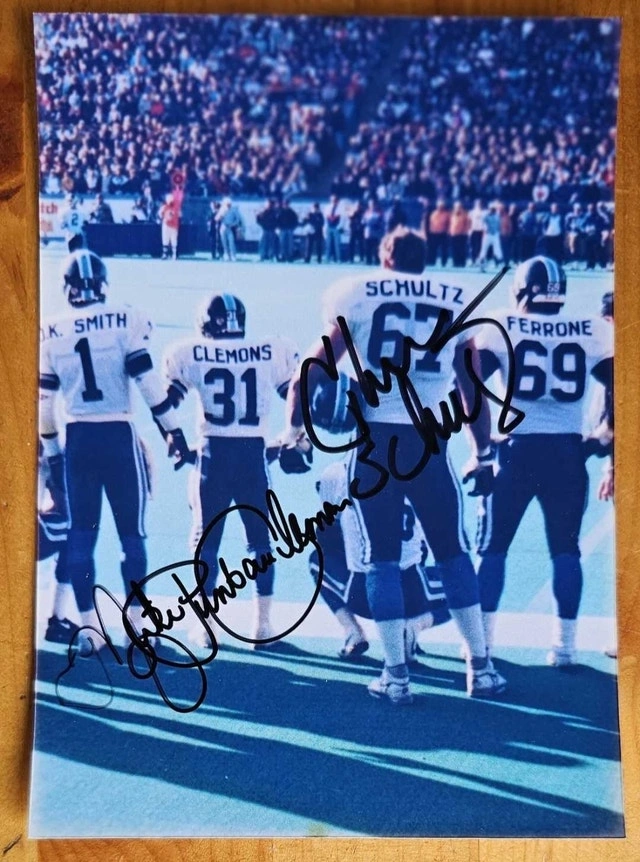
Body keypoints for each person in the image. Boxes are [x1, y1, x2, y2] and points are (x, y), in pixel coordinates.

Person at [285, 226, 506, 704]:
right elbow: (471, 389)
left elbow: (310, 372)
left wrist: (294, 434)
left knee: (380, 559)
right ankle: (481, 667)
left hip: (375, 442)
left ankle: (396, 675)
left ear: (385, 258)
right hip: (429, 439)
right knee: (452, 553)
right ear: (424, 260)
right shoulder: (454, 297)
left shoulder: (356, 293)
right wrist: (484, 452)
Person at [38, 249, 193, 651]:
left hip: (78, 439)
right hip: (118, 437)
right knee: (132, 536)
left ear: (67, 288)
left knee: (81, 536)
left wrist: (53, 454)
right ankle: (136, 629)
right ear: (102, 284)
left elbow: (44, 405)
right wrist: (173, 430)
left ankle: (90, 631)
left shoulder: (50, 329)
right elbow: (147, 383)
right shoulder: (125, 318)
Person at [475, 256, 613, 666]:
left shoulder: (503, 324)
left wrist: (483, 441)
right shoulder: (590, 328)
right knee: (566, 550)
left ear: (521, 291)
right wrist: (605, 433)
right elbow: (626, 385)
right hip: (567, 453)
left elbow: (468, 382)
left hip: (516, 451)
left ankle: (482, 643)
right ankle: (564, 647)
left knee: (494, 548)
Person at [163, 294, 300, 646]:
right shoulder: (269, 351)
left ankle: (207, 625)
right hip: (253, 454)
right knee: (260, 541)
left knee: (206, 541)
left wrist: (175, 439)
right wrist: (293, 438)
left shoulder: (191, 353)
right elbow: (295, 396)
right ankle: (262, 626)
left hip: (214, 454)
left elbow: (167, 402)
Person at [311, 457, 450, 662]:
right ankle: (416, 624)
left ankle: (352, 630)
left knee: (317, 560)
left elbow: (326, 538)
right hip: (413, 594)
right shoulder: (420, 470)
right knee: (465, 583)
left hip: (362, 596)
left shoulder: (336, 473)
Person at [217, 196, 244, 261]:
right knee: (224, 242)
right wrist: (221, 215)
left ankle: (233, 255)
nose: (228, 205)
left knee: (231, 242)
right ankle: (226, 255)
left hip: (230, 228)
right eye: (226, 204)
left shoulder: (234, 210)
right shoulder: (222, 210)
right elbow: (217, 219)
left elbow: (238, 219)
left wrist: (232, 225)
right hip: (223, 227)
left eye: (229, 203)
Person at [477, 203, 503, 271]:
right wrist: (485, 228)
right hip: (487, 235)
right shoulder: (485, 215)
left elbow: (499, 225)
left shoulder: (497, 216)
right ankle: (482, 265)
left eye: (494, 209)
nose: (492, 210)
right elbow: (482, 223)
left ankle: (500, 263)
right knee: (483, 250)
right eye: (491, 209)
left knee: (497, 250)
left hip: (495, 235)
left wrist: (498, 231)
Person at [158, 192, 181, 260]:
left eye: (171, 199)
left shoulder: (176, 207)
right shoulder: (164, 207)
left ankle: (174, 254)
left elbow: (180, 215)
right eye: (168, 199)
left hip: (174, 226)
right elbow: (159, 214)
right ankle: (165, 254)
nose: (170, 200)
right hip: (166, 225)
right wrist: (163, 218)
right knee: (165, 239)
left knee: (174, 240)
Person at [428, 199, 450, 266]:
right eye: (439, 205)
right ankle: (432, 262)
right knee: (433, 249)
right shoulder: (433, 214)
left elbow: (449, 223)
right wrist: (431, 231)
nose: (440, 207)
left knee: (444, 249)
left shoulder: (447, 214)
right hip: (434, 234)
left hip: (443, 234)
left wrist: (448, 232)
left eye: (441, 206)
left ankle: (444, 262)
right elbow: (431, 223)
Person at [362, 199, 384, 265]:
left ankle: (377, 260)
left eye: (373, 204)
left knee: (376, 247)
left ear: (375, 205)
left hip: (375, 232)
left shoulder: (379, 212)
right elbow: (363, 221)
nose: (372, 205)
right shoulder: (366, 212)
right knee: (368, 246)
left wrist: (377, 224)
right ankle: (368, 260)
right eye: (370, 204)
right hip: (368, 232)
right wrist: (365, 222)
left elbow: (381, 221)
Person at [448, 201, 470, 267]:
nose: (457, 208)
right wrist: (449, 231)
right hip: (453, 234)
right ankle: (455, 262)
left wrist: (465, 232)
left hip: (462, 235)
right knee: (454, 249)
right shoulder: (452, 214)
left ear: (461, 207)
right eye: (456, 207)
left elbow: (467, 224)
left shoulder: (465, 214)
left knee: (462, 249)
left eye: (458, 207)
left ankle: (462, 263)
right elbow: (450, 224)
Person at [325, 195, 343, 263]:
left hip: (337, 227)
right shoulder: (327, 207)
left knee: (337, 244)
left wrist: (340, 226)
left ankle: (338, 259)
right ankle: (328, 258)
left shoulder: (340, 208)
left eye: (335, 200)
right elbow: (325, 217)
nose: (333, 201)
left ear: (337, 201)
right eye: (332, 200)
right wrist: (325, 227)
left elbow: (342, 218)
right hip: (329, 227)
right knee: (328, 244)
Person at [468, 199, 487, 264]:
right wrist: (469, 230)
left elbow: (486, 222)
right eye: (477, 203)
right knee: (472, 246)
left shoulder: (485, 213)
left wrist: (485, 231)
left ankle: (479, 259)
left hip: (481, 231)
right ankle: (472, 259)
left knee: (480, 246)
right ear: (475, 204)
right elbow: (469, 222)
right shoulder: (471, 212)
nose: (479, 205)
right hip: (473, 230)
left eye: (480, 203)